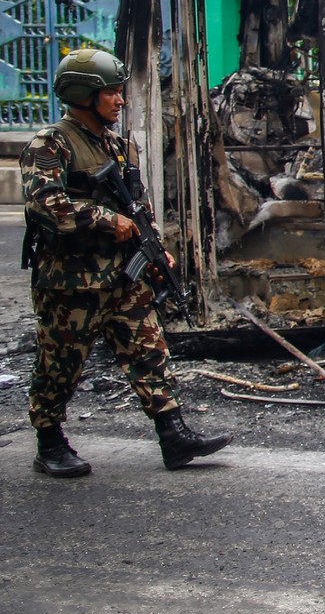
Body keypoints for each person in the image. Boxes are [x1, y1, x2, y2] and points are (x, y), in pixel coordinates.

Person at [21, 48, 232, 477]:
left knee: (149, 351)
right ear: (84, 94)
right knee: (60, 365)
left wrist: (154, 246)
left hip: (121, 277)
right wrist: (102, 218)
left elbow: (137, 205)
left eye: (120, 93)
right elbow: (44, 204)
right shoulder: (52, 143)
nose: (120, 100)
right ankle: (50, 442)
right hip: (72, 283)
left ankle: (173, 436)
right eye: (111, 93)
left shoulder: (119, 146)